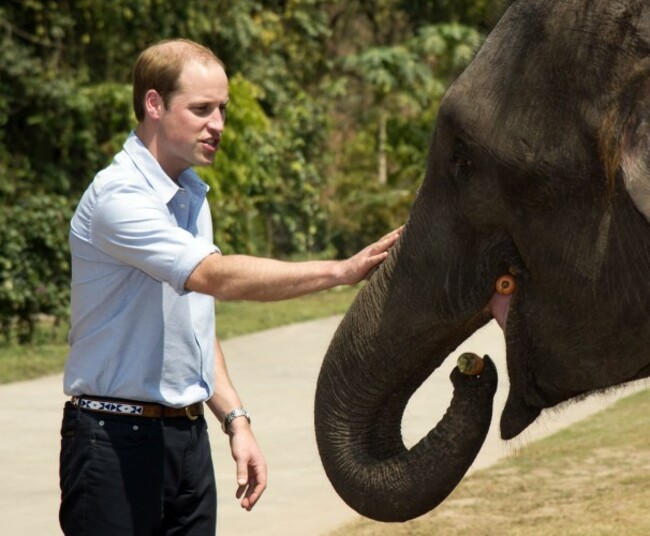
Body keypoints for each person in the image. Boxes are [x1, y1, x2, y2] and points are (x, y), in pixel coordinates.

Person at [59, 38, 401, 536]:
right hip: (113, 443)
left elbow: (194, 322)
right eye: (201, 109)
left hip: (187, 440)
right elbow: (216, 278)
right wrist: (340, 272)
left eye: (221, 109)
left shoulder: (191, 195)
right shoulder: (119, 197)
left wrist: (235, 420)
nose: (217, 125)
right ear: (154, 104)